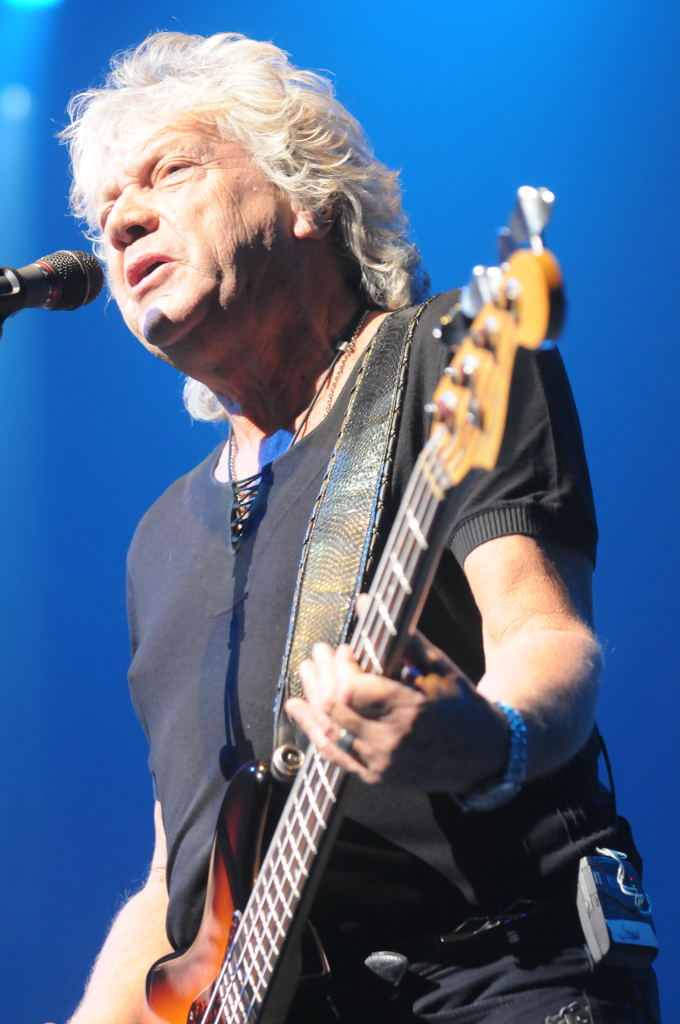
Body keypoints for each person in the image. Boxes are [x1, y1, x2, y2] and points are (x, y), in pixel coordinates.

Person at [54, 30, 659, 1024]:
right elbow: (176, 882)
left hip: (491, 978)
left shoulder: (446, 357)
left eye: (167, 172)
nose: (122, 222)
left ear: (305, 198)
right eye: (107, 209)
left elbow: (546, 636)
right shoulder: (156, 542)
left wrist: (485, 742)